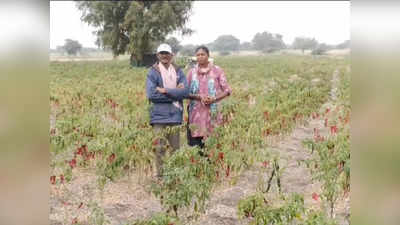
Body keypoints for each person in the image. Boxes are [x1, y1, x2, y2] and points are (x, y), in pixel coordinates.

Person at [146, 43, 189, 178]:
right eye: (162, 53)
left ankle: (175, 176)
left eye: (167, 53)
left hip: (175, 116)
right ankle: (161, 176)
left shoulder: (178, 71)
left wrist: (165, 91)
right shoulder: (152, 72)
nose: (164, 55)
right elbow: (152, 95)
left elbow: (185, 91)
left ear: (172, 55)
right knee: (159, 148)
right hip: (158, 117)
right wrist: (175, 94)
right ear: (158, 55)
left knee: (176, 149)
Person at [186, 46, 232, 151]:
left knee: (213, 143)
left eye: (203, 54)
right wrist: (199, 97)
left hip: (213, 112)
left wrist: (214, 99)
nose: (200, 57)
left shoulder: (217, 70)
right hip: (196, 114)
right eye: (198, 55)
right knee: (197, 145)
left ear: (208, 56)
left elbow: (227, 90)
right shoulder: (191, 72)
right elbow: (185, 92)